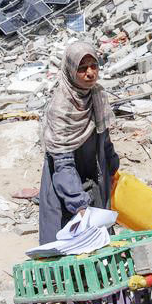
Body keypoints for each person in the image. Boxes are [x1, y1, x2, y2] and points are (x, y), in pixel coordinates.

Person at [38, 41, 120, 245]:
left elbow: (104, 137)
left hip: (93, 175)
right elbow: (63, 164)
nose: (90, 73)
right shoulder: (61, 107)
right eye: (82, 69)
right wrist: (78, 203)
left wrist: (112, 166)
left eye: (94, 66)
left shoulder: (97, 95)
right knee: (70, 238)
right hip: (66, 186)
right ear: (70, 71)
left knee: (100, 241)